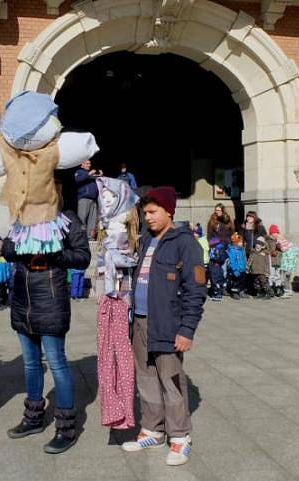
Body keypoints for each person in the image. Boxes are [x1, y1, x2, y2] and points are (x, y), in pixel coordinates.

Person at [2, 179, 91, 454]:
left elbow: (82, 257)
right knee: (31, 364)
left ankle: (65, 427)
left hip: (51, 300)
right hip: (22, 301)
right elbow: (6, 250)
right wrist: (21, 249)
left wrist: (55, 254)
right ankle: (33, 417)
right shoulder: (21, 220)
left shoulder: (67, 220)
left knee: (57, 364)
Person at [122, 186, 206, 467]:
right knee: (145, 379)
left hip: (169, 325)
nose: (147, 217)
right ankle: (152, 429)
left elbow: (195, 290)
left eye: (153, 212)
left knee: (171, 380)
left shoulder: (186, 243)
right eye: (145, 212)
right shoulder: (146, 239)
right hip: (141, 323)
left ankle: (180, 436)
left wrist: (187, 330)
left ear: (169, 210)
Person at [75, 159, 102, 239]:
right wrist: (89, 174)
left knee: (92, 219)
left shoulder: (90, 175)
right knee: (82, 219)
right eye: (87, 164)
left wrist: (100, 176)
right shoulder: (79, 172)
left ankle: (89, 236)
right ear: (82, 165)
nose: (89, 165)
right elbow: (78, 179)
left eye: (89, 164)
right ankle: (80, 237)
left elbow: (97, 180)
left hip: (93, 199)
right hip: (84, 199)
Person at [227, 233, 248, 300]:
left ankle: (241, 291)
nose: (242, 243)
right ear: (235, 243)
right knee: (235, 282)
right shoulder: (233, 250)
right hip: (236, 270)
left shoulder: (242, 250)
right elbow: (232, 261)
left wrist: (245, 267)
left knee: (242, 281)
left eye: (242, 242)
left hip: (242, 269)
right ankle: (234, 293)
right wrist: (235, 269)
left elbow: (244, 259)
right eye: (240, 242)